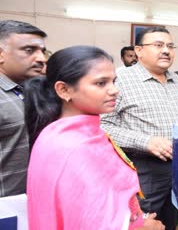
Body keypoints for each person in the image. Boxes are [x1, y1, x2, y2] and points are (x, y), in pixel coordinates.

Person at [24, 45, 164, 229]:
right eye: (101, 83)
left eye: (114, 81)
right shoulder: (73, 146)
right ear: (64, 90)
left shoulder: (70, 132)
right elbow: (89, 222)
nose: (114, 90)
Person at [101, 26, 178, 230]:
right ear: (139, 51)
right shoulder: (120, 79)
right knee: (144, 223)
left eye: (170, 46)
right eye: (158, 45)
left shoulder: (176, 79)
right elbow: (102, 126)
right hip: (143, 169)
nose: (166, 50)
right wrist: (146, 142)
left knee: (170, 220)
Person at [0, 20, 46, 197]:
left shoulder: (33, 91)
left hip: (31, 201)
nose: (41, 58)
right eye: (29, 50)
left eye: (42, 51)